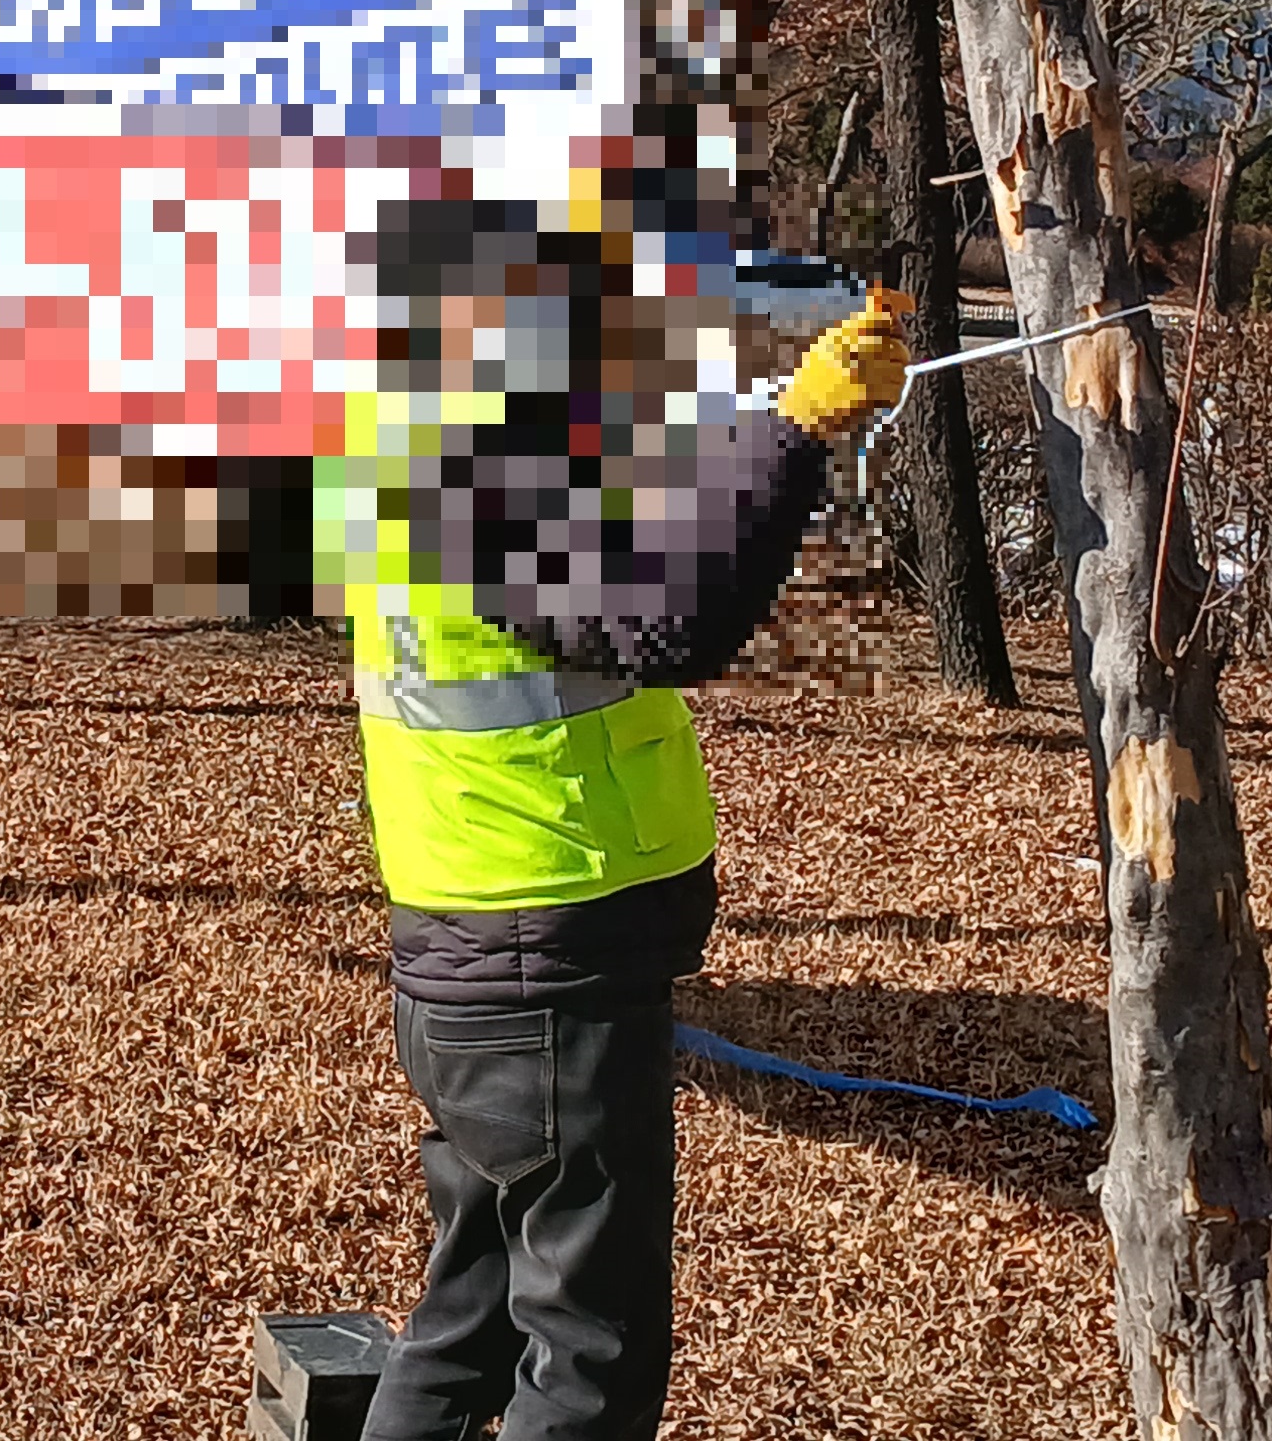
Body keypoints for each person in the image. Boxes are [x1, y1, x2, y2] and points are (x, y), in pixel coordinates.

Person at [327, 197, 910, 1441]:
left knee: (470, 1313)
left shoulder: (400, 445)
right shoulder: (488, 474)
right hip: (547, 965)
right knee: (590, 1362)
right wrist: (799, 429)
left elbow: (626, 547)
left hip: (462, 961)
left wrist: (761, 430)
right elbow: (670, 619)